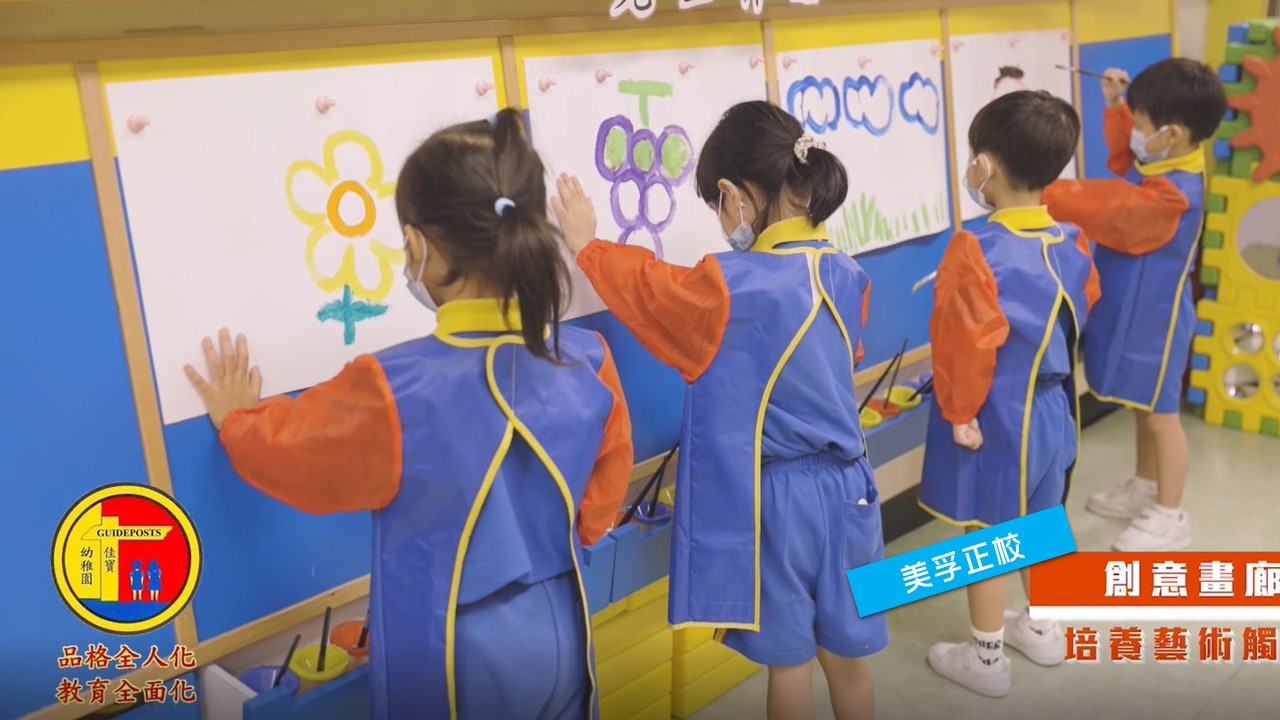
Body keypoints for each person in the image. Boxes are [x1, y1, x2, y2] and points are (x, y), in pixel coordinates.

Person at [184, 109, 632, 720]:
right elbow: (605, 490)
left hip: (455, 654)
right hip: (562, 626)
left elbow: (294, 453)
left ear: (419, 247)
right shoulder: (588, 357)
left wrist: (240, 420)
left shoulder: (394, 387)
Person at [552, 100, 886, 720]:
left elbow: (652, 289)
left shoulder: (732, 286)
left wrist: (587, 246)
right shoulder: (847, 273)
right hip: (851, 489)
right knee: (847, 659)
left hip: (780, 502)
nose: (721, 223)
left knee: (790, 665)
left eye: (716, 207)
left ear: (732, 195)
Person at [920, 91, 1098, 697]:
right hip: (1055, 408)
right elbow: (1086, 305)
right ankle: (1043, 628)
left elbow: (964, 340)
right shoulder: (1071, 238)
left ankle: (988, 658)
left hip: (997, 411)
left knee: (986, 534)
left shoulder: (977, 246)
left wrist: (958, 412)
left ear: (985, 165)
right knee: (1043, 522)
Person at [1043, 59, 1227, 551]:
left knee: (1162, 415)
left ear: (1172, 133)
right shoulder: (1173, 156)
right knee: (1142, 407)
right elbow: (1132, 157)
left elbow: (1112, 207)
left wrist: (1040, 189)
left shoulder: (1176, 194)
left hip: (1157, 320)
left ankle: (1170, 514)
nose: (1137, 134)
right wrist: (1116, 106)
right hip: (1134, 308)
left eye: (1142, 124)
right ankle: (1146, 487)